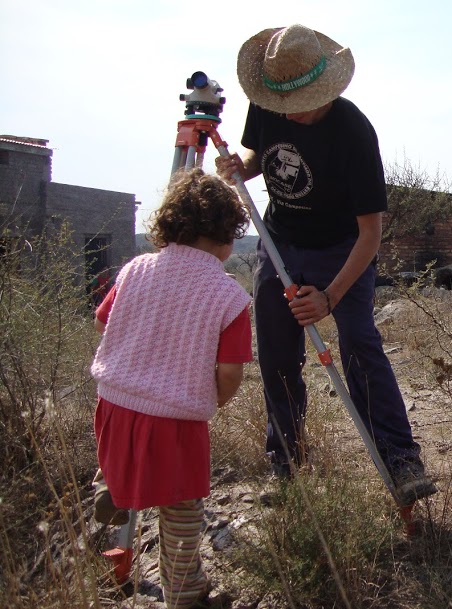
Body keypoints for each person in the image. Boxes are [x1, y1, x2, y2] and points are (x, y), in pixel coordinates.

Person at [215, 24, 436, 502]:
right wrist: (241, 167)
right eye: (285, 105)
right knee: (276, 352)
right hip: (281, 243)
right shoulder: (270, 99)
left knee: (358, 340)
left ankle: (400, 459)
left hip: (343, 247)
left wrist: (330, 297)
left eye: (303, 103)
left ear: (327, 90)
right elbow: (260, 154)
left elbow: (370, 233)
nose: (292, 113)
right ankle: (287, 461)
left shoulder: (353, 132)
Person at [91, 169, 252, 609]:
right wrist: (213, 401)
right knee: (181, 513)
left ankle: (113, 486)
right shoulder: (227, 295)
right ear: (226, 237)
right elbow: (231, 370)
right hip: (176, 420)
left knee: (120, 459)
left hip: (115, 403)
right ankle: (185, 594)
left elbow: (104, 320)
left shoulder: (135, 268)